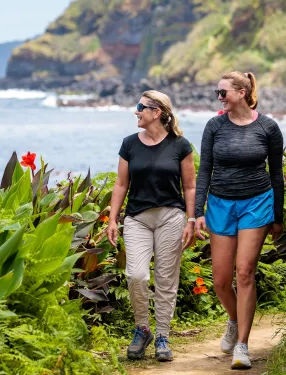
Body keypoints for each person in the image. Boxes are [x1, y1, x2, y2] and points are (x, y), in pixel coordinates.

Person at [194, 72, 284, 369]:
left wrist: (277, 216)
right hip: (220, 204)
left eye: (223, 92)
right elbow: (204, 170)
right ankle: (233, 320)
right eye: (217, 93)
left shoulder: (268, 127)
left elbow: (276, 175)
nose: (219, 98)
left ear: (243, 92)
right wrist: (196, 213)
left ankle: (243, 346)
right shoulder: (214, 126)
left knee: (244, 272)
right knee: (220, 279)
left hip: (257, 203)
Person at [106, 90, 196, 362]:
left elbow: (190, 187)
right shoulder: (129, 144)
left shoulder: (181, 145)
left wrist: (191, 220)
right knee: (137, 276)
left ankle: (163, 336)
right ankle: (142, 328)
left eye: (141, 107)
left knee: (166, 281)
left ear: (157, 112)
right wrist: (112, 218)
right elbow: (121, 184)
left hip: (171, 217)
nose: (136, 111)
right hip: (137, 219)